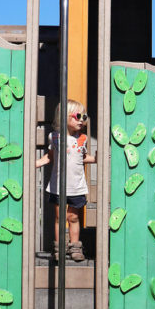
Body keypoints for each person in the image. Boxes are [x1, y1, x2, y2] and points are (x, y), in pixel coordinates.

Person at [35, 99, 96, 262]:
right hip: (58, 187)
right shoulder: (54, 137)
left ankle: (75, 246)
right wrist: (36, 163)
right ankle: (60, 248)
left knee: (73, 217)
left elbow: (81, 157)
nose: (82, 120)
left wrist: (96, 159)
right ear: (64, 117)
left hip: (76, 186)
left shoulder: (82, 139)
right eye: (78, 116)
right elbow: (50, 156)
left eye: (84, 116)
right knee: (60, 218)